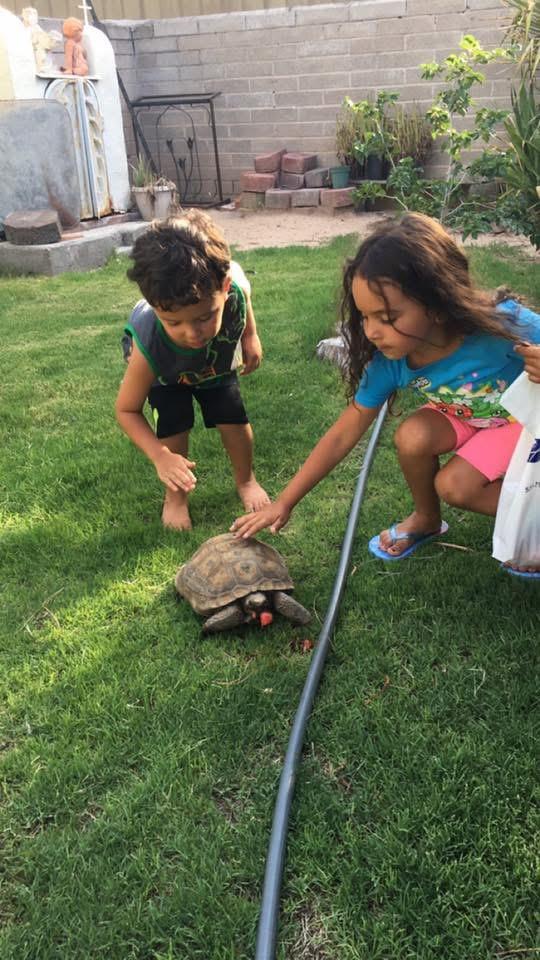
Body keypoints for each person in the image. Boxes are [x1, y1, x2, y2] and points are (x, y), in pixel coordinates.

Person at [231, 213, 540, 578]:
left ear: (437, 303)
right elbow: (343, 434)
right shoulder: (389, 363)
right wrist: (285, 501)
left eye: (387, 316)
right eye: (365, 316)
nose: (372, 331)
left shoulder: (500, 325)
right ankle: (426, 519)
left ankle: (531, 527)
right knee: (411, 436)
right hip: (469, 417)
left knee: (455, 486)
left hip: (520, 423)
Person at [116, 210, 269, 531]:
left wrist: (250, 335)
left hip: (214, 363)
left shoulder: (233, 288)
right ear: (155, 307)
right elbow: (127, 410)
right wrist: (160, 456)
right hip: (166, 373)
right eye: (174, 322)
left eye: (203, 317)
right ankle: (176, 498)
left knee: (234, 420)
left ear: (223, 289)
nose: (192, 333)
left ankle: (246, 480)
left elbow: (243, 288)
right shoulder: (150, 344)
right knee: (174, 427)